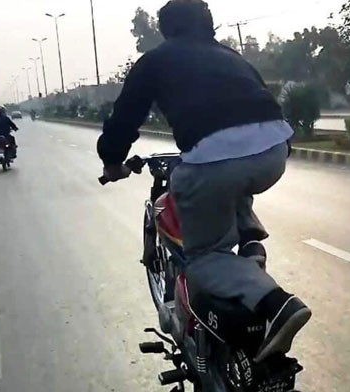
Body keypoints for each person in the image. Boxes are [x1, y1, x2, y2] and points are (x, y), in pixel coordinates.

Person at [97, 0, 311, 362]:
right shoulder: (230, 56)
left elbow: (124, 120)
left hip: (216, 158)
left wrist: (112, 162)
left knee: (202, 257)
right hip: (274, 151)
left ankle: (277, 304)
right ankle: (249, 244)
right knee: (231, 183)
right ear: (209, 25)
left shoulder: (155, 62)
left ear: (165, 30)